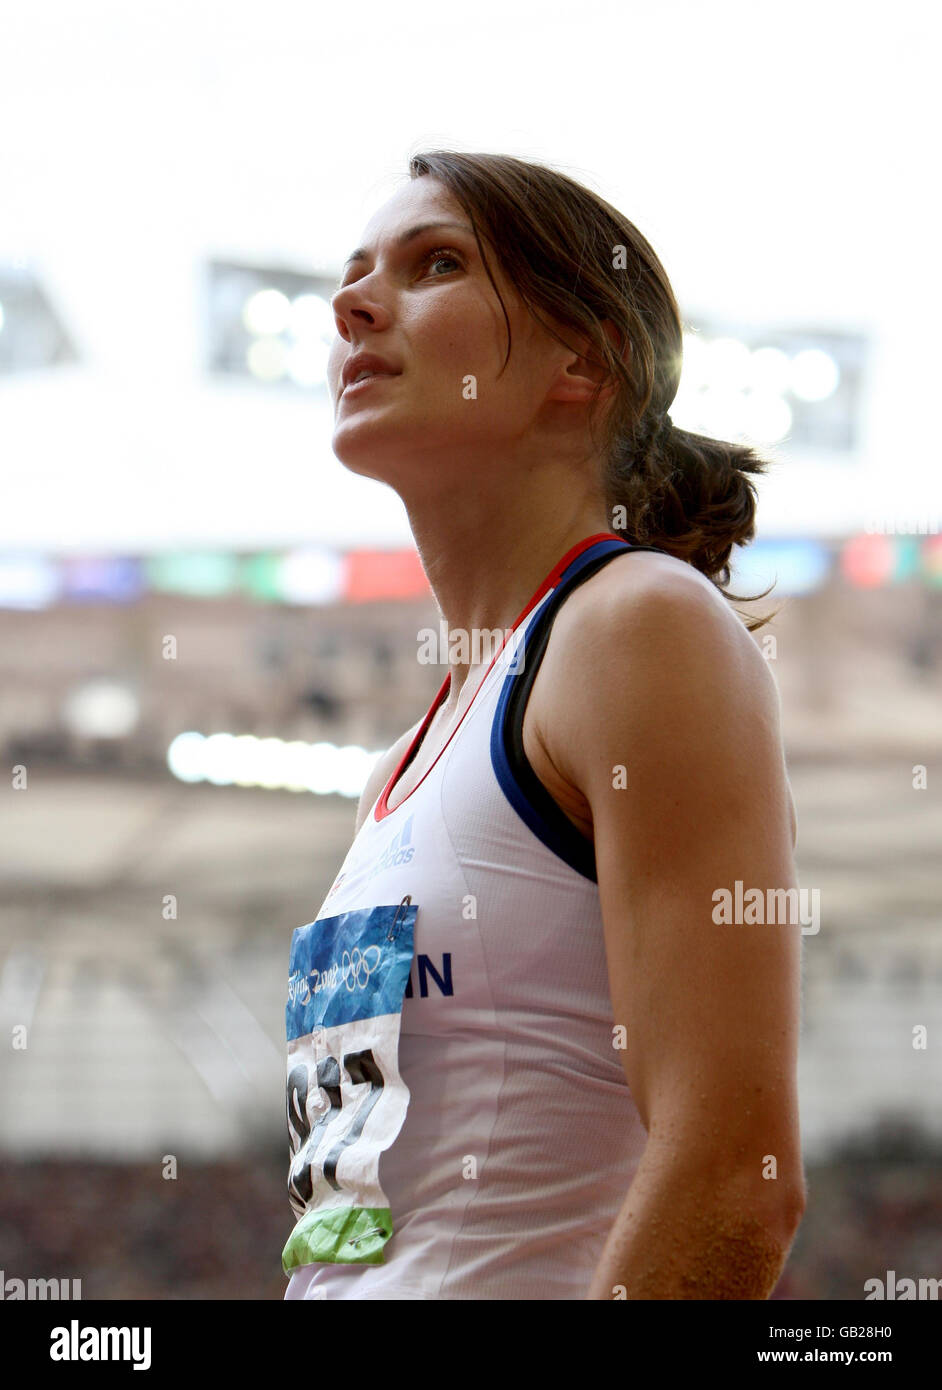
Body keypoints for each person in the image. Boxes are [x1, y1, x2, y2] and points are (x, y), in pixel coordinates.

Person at [282, 150, 805, 1301]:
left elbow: (734, 1177)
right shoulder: (401, 761)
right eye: (355, 272)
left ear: (586, 359)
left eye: (436, 265)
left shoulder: (636, 625)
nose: (353, 303)